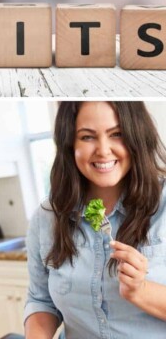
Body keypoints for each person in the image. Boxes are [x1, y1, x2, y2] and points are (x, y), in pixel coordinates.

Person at [24, 101, 166, 338]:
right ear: (70, 144)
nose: (103, 150)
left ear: (137, 135)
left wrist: (140, 291)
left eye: (117, 134)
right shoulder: (47, 216)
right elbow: (41, 301)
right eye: (87, 137)